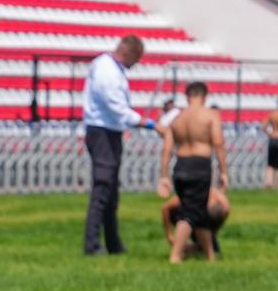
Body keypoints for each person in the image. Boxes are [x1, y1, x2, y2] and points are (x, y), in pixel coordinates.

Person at [83, 34, 156, 256]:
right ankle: (92, 244)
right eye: (136, 59)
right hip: (102, 131)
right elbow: (115, 106)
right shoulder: (107, 70)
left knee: (111, 192)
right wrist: (146, 123)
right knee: (103, 188)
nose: (135, 65)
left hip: (110, 132)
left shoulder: (111, 68)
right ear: (127, 53)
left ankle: (113, 243)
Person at [157, 81, 229, 264]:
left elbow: (166, 149)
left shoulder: (177, 119)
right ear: (205, 96)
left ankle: (210, 256)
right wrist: (224, 171)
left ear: (187, 96)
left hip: (180, 166)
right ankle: (176, 255)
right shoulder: (210, 115)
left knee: (199, 210)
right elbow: (218, 142)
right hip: (200, 165)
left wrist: (164, 176)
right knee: (189, 213)